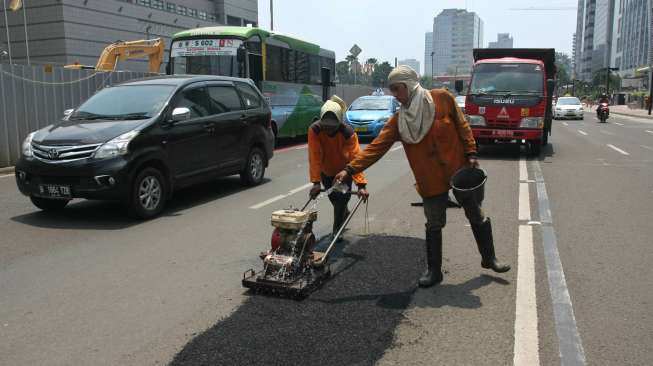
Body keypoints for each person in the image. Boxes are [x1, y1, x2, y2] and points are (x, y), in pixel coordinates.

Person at [334, 66, 510, 288]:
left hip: (459, 169)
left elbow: (462, 125)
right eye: (392, 90)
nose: (395, 95)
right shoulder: (398, 120)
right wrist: (349, 169)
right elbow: (375, 149)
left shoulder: (442, 99)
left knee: (475, 213)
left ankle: (490, 258)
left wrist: (471, 152)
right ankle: (434, 271)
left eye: (397, 89)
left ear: (408, 85)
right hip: (429, 177)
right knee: (434, 222)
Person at [308, 95, 369, 239]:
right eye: (326, 127)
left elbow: (355, 158)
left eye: (332, 127)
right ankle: (343, 213)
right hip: (326, 172)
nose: (328, 131)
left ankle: (337, 231)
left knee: (340, 201)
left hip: (344, 173)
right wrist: (316, 182)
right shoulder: (315, 130)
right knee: (334, 200)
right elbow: (314, 156)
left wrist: (360, 184)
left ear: (339, 122)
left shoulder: (347, 133)